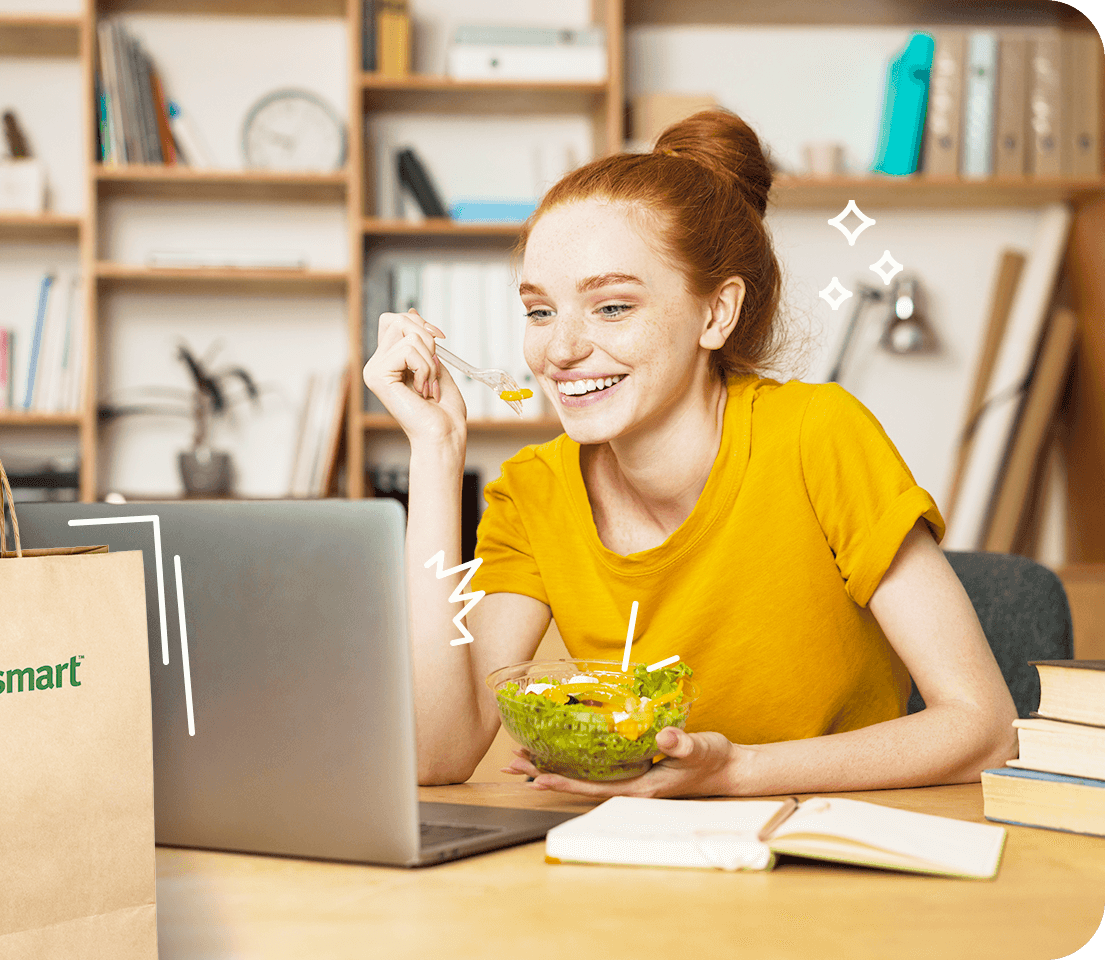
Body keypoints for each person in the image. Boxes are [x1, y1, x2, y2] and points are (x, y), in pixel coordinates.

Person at [361, 108, 1018, 799]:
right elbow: (437, 752)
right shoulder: (534, 492)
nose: (558, 351)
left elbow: (984, 725)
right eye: (539, 311)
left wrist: (736, 772)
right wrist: (434, 450)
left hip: (830, 863)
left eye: (612, 307)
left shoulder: (817, 436)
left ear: (716, 314)